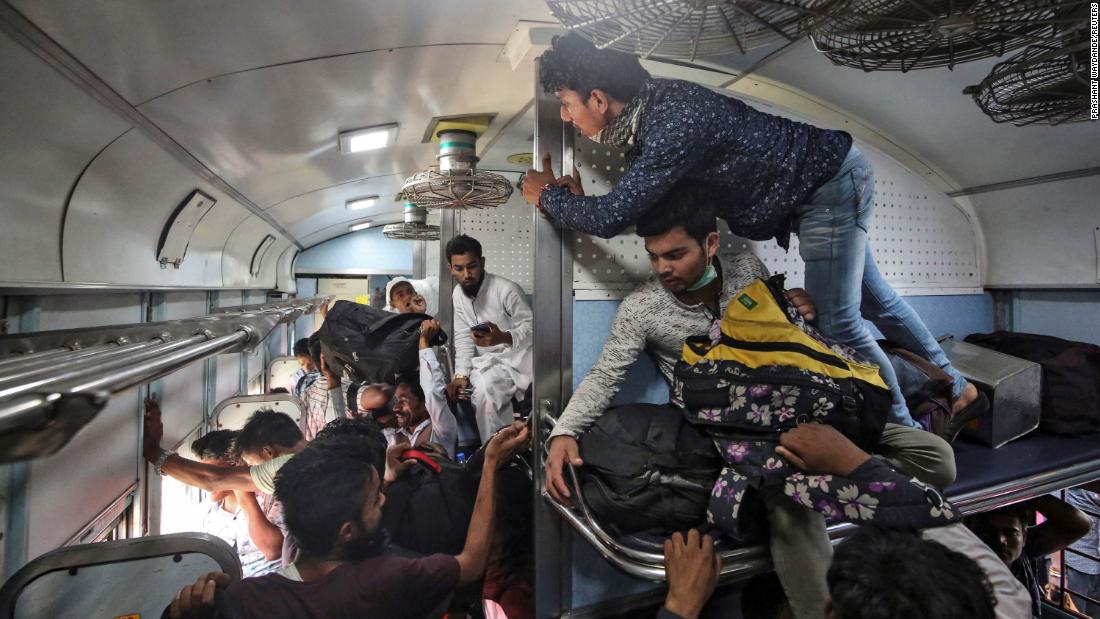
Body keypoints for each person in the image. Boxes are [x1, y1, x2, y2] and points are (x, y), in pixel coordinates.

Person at [521, 33, 987, 437]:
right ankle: (960, 390)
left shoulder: (671, 122)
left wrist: (548, 197)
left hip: (825, 187)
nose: (565, 116)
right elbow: (640, 207)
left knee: (841, 323)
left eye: (566, 103)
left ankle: (904, 436)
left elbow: (611, 215)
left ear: (598, 99)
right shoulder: (653, 116)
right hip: (829, 182)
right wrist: (582, 201)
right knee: (874, 303)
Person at [544, 187, 958, 619]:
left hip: (797, 407)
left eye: (676, 254)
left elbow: (783, 341)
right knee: (788, 505)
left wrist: (798, 308)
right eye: (654, 256)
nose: (663, 268)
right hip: (730, 432)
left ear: (711, 243)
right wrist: (564, 431)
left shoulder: (746, 270)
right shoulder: (642, 308)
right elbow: (606, 374)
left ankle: (822, 476)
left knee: (937, 458)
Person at [165, 421, 531, 619]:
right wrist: (492, 465)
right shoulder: (385, 577)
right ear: (347, 531)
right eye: (376, 501)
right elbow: (471, 562)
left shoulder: (250, 595)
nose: (384, 499)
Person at [446, 234, 534, 441]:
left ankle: (515, 451)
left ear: (482, 262)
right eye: (459, 269)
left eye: (472, 266)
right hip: (491, 364)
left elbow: (532, 328)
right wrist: (460, 374)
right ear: (451, 268)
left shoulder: (506, 290)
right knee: (484, 393)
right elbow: (463, 337)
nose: (467, 274)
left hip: (521, 360)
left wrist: (503, 337)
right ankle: (497, 454)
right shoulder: (458, 295)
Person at [143, 400, 306, 496]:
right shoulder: (321, 445)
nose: (253, 471)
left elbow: (211, 479)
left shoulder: (286, 467)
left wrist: (154, 452)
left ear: (269, 452)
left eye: (256, 466)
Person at [968, 496, 1092, 617]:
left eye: (1010, 533)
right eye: (990, 532)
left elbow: (1080, 524)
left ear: (1025, 537)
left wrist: (1026, 493)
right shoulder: (963, 565)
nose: (1001, 540)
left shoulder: (1024, 552)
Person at [1064, 484, 1100, 617]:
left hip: (1095, 562)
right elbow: (1059, 520)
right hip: (1077, 561)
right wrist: (1056, 571)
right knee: (1074, 613)